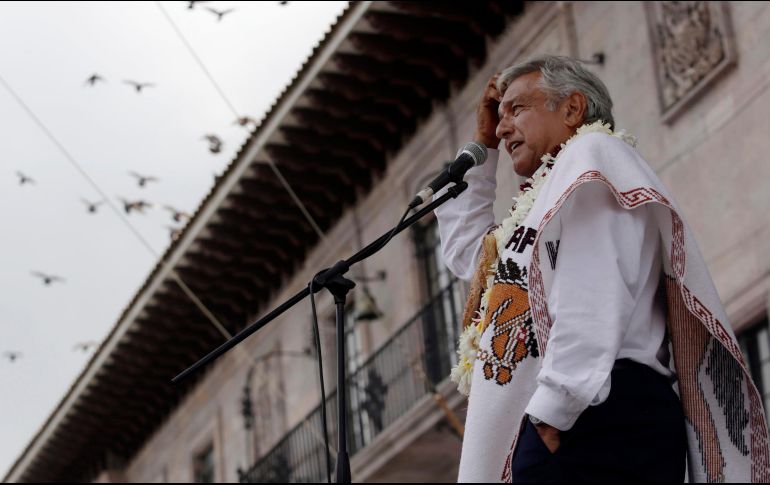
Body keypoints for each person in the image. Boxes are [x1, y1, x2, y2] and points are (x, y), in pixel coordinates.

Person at [435, 55, 769, 483]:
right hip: (573, 418)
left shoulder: (593, 156)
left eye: (517, 109)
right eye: (499, 117)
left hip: (590, 414)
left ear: (572, 109)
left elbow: (589, 294)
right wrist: (482, 147)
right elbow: (467, 256)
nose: (502, 126)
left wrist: (551, 419)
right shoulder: (540, 203)